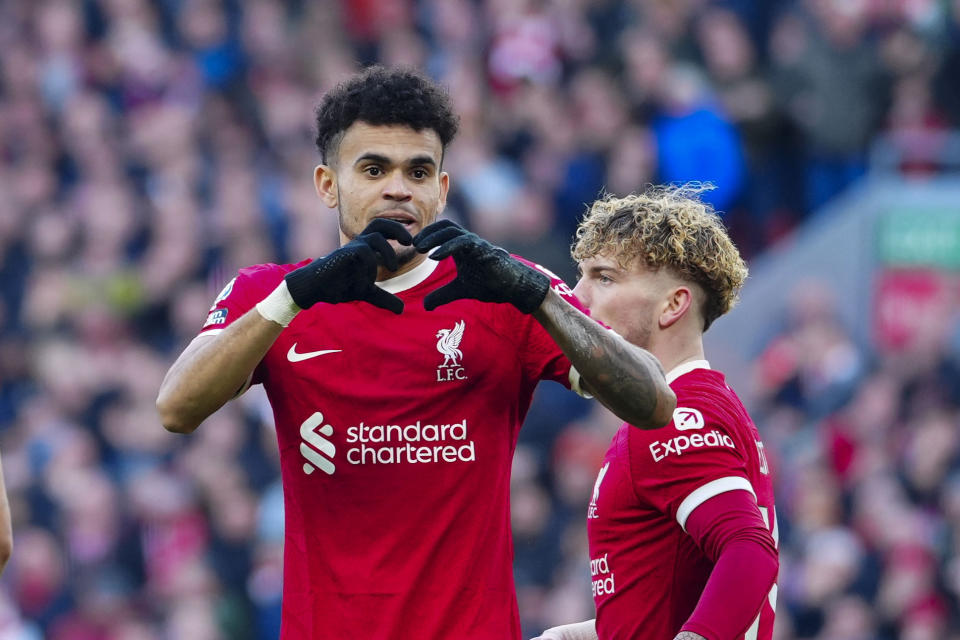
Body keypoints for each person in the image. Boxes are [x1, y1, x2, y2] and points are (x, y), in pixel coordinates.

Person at [156, 66, 675, 639]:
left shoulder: (505, 290)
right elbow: (176, 409)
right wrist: (292, 300)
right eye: (373, 168)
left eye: (419, 171)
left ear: (442, 190)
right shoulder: (274, 296)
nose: (398, 188)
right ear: (328, 185)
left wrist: (538, 301)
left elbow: (655, 402)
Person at [534, 185, 779, 640]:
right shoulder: (701, 404)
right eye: (582, 275)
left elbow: (750, 551)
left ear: (673, 305)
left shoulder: (675, 416)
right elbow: (659, 601)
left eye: (604, 277)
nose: (577, 294)